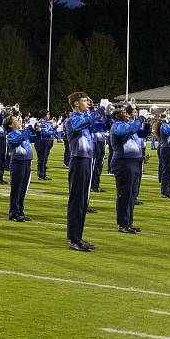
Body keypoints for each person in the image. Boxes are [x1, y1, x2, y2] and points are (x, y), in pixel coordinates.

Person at [64, 92, 105, 252]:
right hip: (78, 160)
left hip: (87, 160)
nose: (88, 102)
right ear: (76, 104)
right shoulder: (71, 120)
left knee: (83, 200)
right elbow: (81, 123)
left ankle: (78, 237)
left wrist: (104, 114)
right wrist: (97, 111)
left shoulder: (86, 118)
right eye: (84, 100)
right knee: (76, 200)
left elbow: (101, 125)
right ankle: (74, 239)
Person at [109, 106, 147, 234]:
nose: (126, 114)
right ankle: (123, 224)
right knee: (124, 194)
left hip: (134, 161)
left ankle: (129, 222)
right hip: (123, 162)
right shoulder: (117, 126)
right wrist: (139, 120)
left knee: (132, 194)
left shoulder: (128, 125)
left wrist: (145, 123)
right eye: (123, 113)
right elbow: (128, 130)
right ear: (116, 116)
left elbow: (142, 134)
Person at [5, 115, 37, 222]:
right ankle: (13, 213)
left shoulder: (21, 133)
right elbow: (20, 139)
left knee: (23, 189)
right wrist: (29, 127)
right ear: (10, 125)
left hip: (27, 162)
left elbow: (34, 138)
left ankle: (20, 211)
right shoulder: (10, 135)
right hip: (18, 164)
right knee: (16, 189)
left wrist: (38, 130)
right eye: (16, 120)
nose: (19, 121)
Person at [155, 117, 170, 199]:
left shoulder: (168, 125)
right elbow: (168, 132)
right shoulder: (164, 125)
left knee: (169, 170)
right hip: (167, 148)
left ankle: (166, 190)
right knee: (167, 170)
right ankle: (165, 191)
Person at [90, 113, 109, 193]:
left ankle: (96, 184)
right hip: (96, 142)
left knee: (99, 165)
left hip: (101, 141)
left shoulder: (103, 118)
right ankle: (93, 185)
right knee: (95, 164)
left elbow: (107, 125)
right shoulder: (92, 116)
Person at [34, 109, 55, 180]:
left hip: (46, 142)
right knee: (42, 159)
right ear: (44, 115)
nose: (49, 115)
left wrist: (51, 130)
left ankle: (43, 174)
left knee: (44, 159)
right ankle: (41, 175)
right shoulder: (41, 122)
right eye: (48, 114)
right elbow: (44, 133)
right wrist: (52, 131)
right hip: (42, 142)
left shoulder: (46, 122)